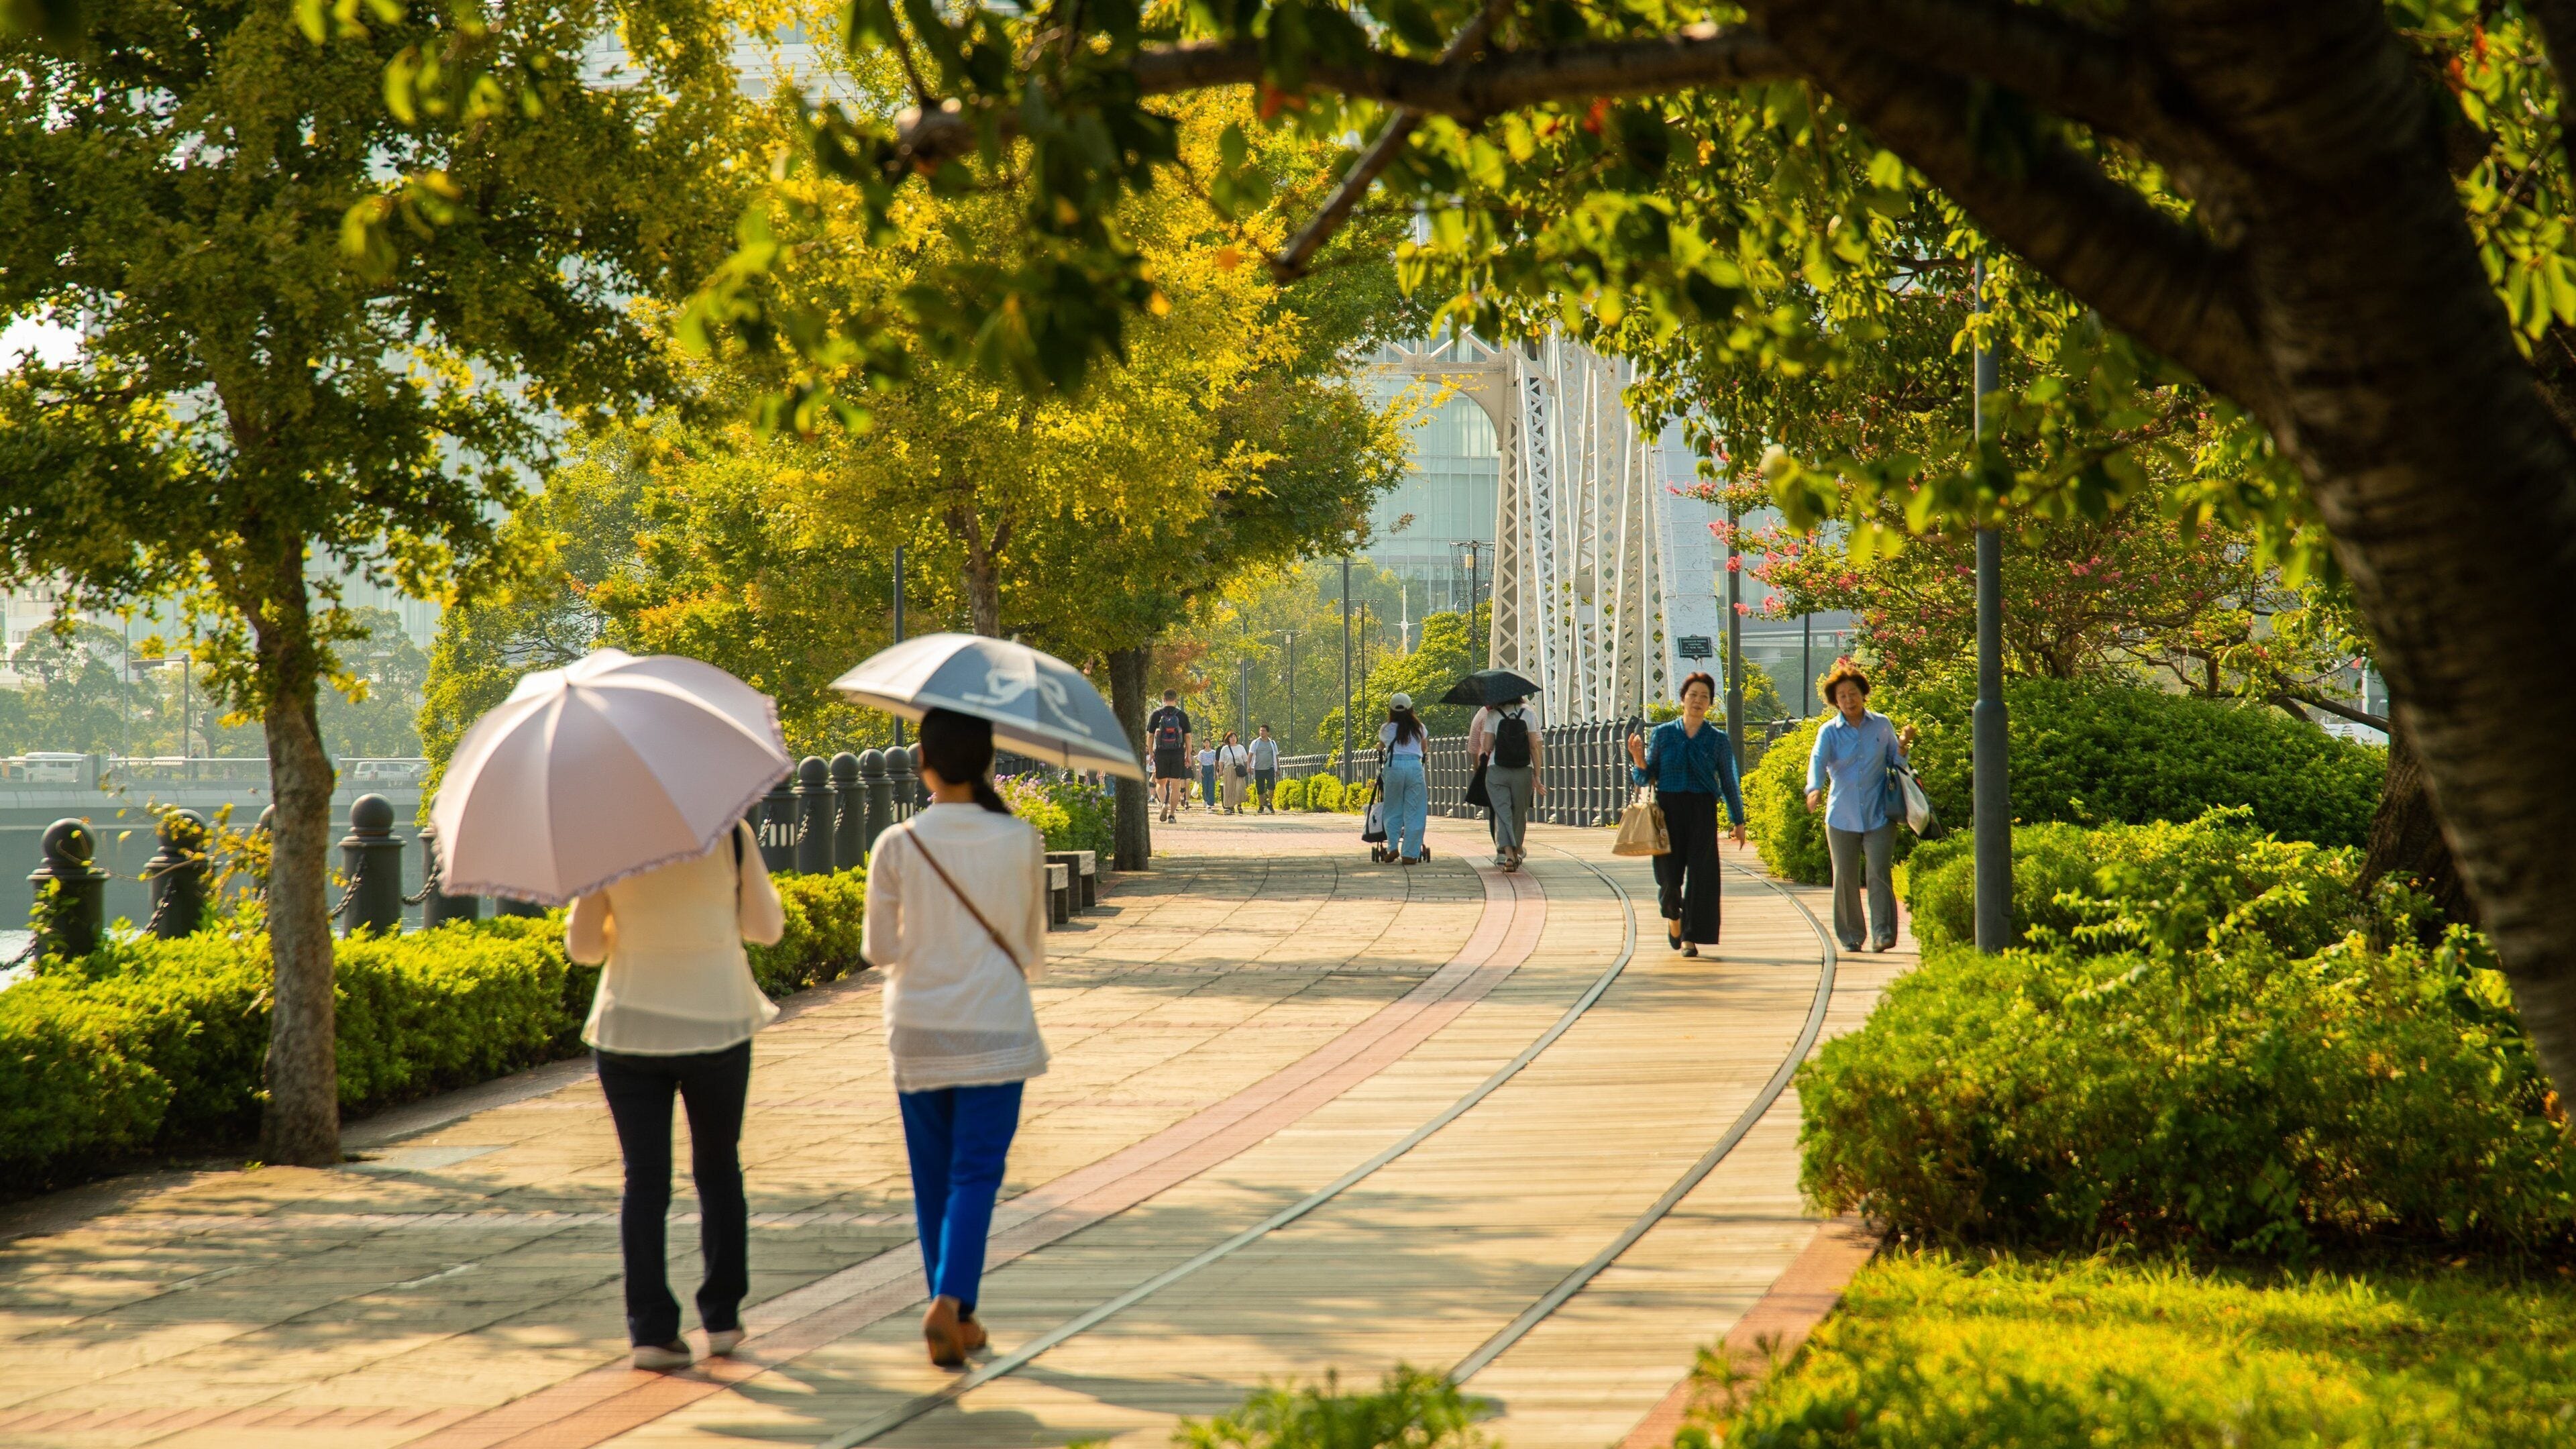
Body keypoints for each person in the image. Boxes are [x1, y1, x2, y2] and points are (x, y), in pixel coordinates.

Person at [862, 706, 1051, 1367]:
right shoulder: (1021, 839)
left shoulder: (897, 844)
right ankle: (950, 1303)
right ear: (989, 764)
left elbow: (879, 950)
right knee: (976, 1174)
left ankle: (956, 1312)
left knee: (932, 1178)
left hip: (917, 1029)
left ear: (924, 764)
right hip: (996, 1028)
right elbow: (1030, 948)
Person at [566, 812, 787, 1371]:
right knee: (718, 1169)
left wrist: (626, 923)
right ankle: (722, 1317)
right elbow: (766, 928)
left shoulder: (606, 840)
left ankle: (651, 1331)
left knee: (644, 1180)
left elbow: (584, 947)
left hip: (630, 1025)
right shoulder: (731, 833)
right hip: (717, 1020)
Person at [1625, 672, 1747, 957]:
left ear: (1710, 704)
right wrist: (1638, 758)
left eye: (1704, 696)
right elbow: (1646, 777)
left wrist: (1738, 819)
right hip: (1667, 811)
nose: (1698, 700)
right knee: (1668, 877)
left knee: (1702, 875)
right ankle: (1674, 917)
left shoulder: (1717, 740)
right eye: (1693, 695)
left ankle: (1690, 937)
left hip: (1702, 810)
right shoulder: (1664, 734)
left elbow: (1729, 781)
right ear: (1683, 698)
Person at [1805, 662, 1917, 953]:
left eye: (1853, 693)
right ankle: (1852, 935)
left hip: (1880, 813)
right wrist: (1814, 788)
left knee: (1879, 872)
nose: (1849, 700)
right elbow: (1817, 760)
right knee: (1844, 877)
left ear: (1863, 695)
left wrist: (1903, 745)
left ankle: (1884, 934)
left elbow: (1896, 762)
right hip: (1842, 816)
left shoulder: (1881, 724)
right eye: (1842, 696)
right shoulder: (1829, 732)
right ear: (1835, 701)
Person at [1471, 694, 1544, 871]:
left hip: (1497, 770)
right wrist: (1537, 775)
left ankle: (1509, 855)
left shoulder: (1492, 715)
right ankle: (1517, 849)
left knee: (1502, 813)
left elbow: (1487, 747)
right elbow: (1534, 746)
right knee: (1519, 812)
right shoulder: (1528, 714)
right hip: (1522, 769)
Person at [1378, 692, 1432, 864]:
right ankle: (1410, 853)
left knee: (1393, 808)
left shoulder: (1386, 728)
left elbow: (1382, 745)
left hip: (1394, 767)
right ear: (1410, 709)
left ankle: (1393, 847)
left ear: (1391, 711)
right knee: (1415, 810)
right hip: (1414, 767)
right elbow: (1424, 749)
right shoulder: (1419, 728)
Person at [1146, 690, 1191, 822]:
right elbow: (1188, 737)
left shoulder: (1156, 715)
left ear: (1163, 699)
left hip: (1161, 752)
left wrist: (1151, 753)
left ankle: (1164, 803)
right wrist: (1188, 755)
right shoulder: (1182, 715)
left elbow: (1150, 736)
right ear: (1176, 700)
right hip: (1177, 753)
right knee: (1175, 784)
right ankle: (1172, 815)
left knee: (1160, 782)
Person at [1217, 731, 1252, 814]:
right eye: (1231, 737)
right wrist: (1220, 770)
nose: (1233, 739)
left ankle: (1239, 805)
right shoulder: (1225, 749)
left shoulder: (1240, 747)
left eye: (1234, 737)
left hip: (1239, 769)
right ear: (1228, 739)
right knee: (1229, 788)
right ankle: (1230, 806)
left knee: (1239, 788)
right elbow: (1221, 761)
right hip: (1229, 769)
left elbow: (1245, 759)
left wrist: (1248, 767)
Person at [1250, 724, 1280, 813]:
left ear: (1267, 732)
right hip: (1259, 768)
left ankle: (1270, 803)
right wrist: (1249, 766)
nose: (1262, 732)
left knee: (1272, 785)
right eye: (1260, 731)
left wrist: (1278, 768)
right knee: (1260, 788)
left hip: (1270, 768)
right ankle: (1261, 805)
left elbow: (1276, 755)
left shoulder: (1272, 743)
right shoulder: (1255, 743)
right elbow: (1250, 754)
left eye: (1263, 731)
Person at [1197, 741, 1219, 812]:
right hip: (1204, 769)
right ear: (1203, 744)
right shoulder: (1201, 752)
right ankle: (1205, 800)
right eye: (1205, 743)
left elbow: (1216, 762)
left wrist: (1216, 772)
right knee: (1205, 786)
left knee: (1211, 786)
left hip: (1211, 769)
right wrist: (1200, 772)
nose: (1207, 744)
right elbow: (1200, 763)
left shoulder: (1213, 752)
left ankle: (1211, 802)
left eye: (1208, 743)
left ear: (1210, 744)